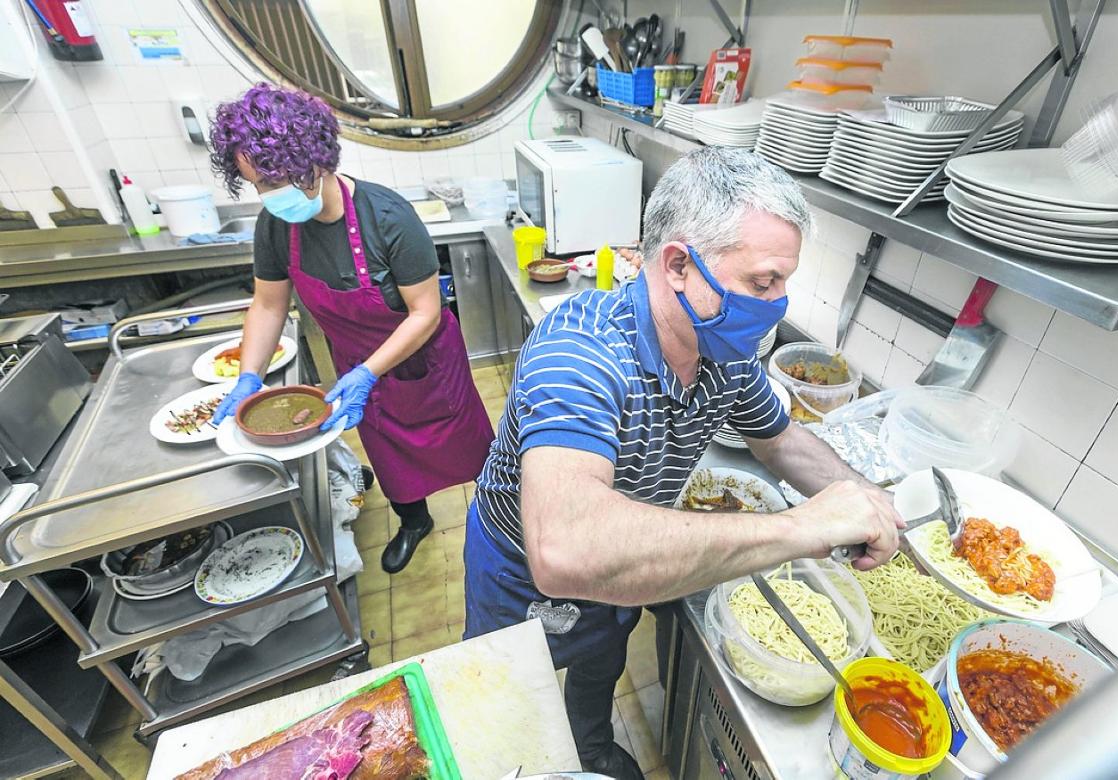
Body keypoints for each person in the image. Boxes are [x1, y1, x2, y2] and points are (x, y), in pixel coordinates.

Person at [462, 147, 904, 779]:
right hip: (519, 575)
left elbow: (780, 442)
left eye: (783, 282)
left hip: (629, 546)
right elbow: (565, 551)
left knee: (599, 663)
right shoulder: (580, 351)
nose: (778, 304)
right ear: (677, 264)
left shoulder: (722, 351)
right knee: (510, 703)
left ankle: (591, 743)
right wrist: (801, 529)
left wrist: (867, 501)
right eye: (762, 283)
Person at [208, 84, 494, 573]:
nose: (271, 194)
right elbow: (268, 306)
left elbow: (425, 311)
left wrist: (370, 371)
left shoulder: (387, 218)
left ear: (317, 159)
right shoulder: (276, 226)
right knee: (387, 454)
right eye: (259, 185)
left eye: (278, 179)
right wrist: (248, 377)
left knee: (468, 451)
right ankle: (413, 521)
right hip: (356, 366)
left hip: (425, 362)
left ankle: (495, 522)